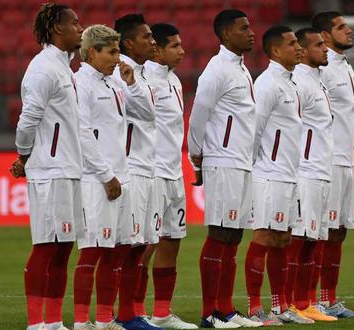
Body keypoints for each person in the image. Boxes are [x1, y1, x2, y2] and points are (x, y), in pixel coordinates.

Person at [187, 9, 262, 328]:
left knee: (233, 236)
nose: (251, 32)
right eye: (244, 28)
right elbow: (199, 113)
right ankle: (209, 313)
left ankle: (226, 309)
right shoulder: (217, 69)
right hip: (222, 159)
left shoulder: (241, 69)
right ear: (226, 33)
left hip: (241, 161)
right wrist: (197, 154)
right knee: (220, 233)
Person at [11, 3, 84, 330]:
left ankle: (53, 322)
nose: (80, 29)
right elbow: (29, 118)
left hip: (69, 169)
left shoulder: (65, 68)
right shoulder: (43, 68)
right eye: (75, 23)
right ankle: (35, 322)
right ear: (57, 29)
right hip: (50, 169)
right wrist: (23, 155)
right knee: (46, 246)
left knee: (64, 247)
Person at [244, 25, 313, 326]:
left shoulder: (291, 83)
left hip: (289, 173)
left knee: (284, 239)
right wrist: (258, 168)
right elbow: (253, 130)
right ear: (274, 51)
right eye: (292, 43)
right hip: (268, 174)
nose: (298, 47)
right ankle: (254, 307)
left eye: (298, 42)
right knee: (264, 236)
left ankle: (281, 306)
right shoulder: (267, 84)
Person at [71, 24, 138, 330]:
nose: (117, 57)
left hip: (120, 176)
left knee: (118, 250)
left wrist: (131, 84)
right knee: (93, 249)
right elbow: (82, 134)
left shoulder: (114, 83)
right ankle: (83, 321)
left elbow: (147, 116)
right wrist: (105, 175)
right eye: (111, 51)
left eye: (118, 50)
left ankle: (103, 319)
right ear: (92, 52)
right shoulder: (80, 84)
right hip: (96, 180)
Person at [133, 23, 197, 329]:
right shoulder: (144, 82)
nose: (182, 50)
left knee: (173, 240)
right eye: (175, 46)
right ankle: (135, 311)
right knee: (146, 245)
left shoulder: (173, 81)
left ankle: (162, 313)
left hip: (174, 172)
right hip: (153, 173)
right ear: (156, 49)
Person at [310, 11, 354, 318]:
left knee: (338, 232)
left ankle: (329, 299)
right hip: (326, 161)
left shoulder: (343, 65)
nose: (350, 30)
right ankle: (311, 299)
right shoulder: (323, 67)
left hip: (344, 159)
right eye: (342, 27)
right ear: (325, 35)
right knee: (321, 232)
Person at [112, 14, 162, 330]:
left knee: (140, 245)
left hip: (146, 167)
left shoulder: (139, 73)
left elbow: (148, 116)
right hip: (130, 169)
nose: (152, 41)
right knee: (127, 247)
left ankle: (130, 313)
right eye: (147, 37)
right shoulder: (120, 72)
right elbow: (145, 113)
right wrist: (131, 83)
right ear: (129, 42)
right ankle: (116, 314)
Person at [287, 27, 336, 322]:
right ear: (303, 51)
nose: (326, 49)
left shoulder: (319, 82)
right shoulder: (299, 84)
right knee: (300, 239)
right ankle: (293, 302)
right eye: (319, 45)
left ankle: (305, 302)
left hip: (321, 170)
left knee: (314, 240)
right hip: (304, 171)